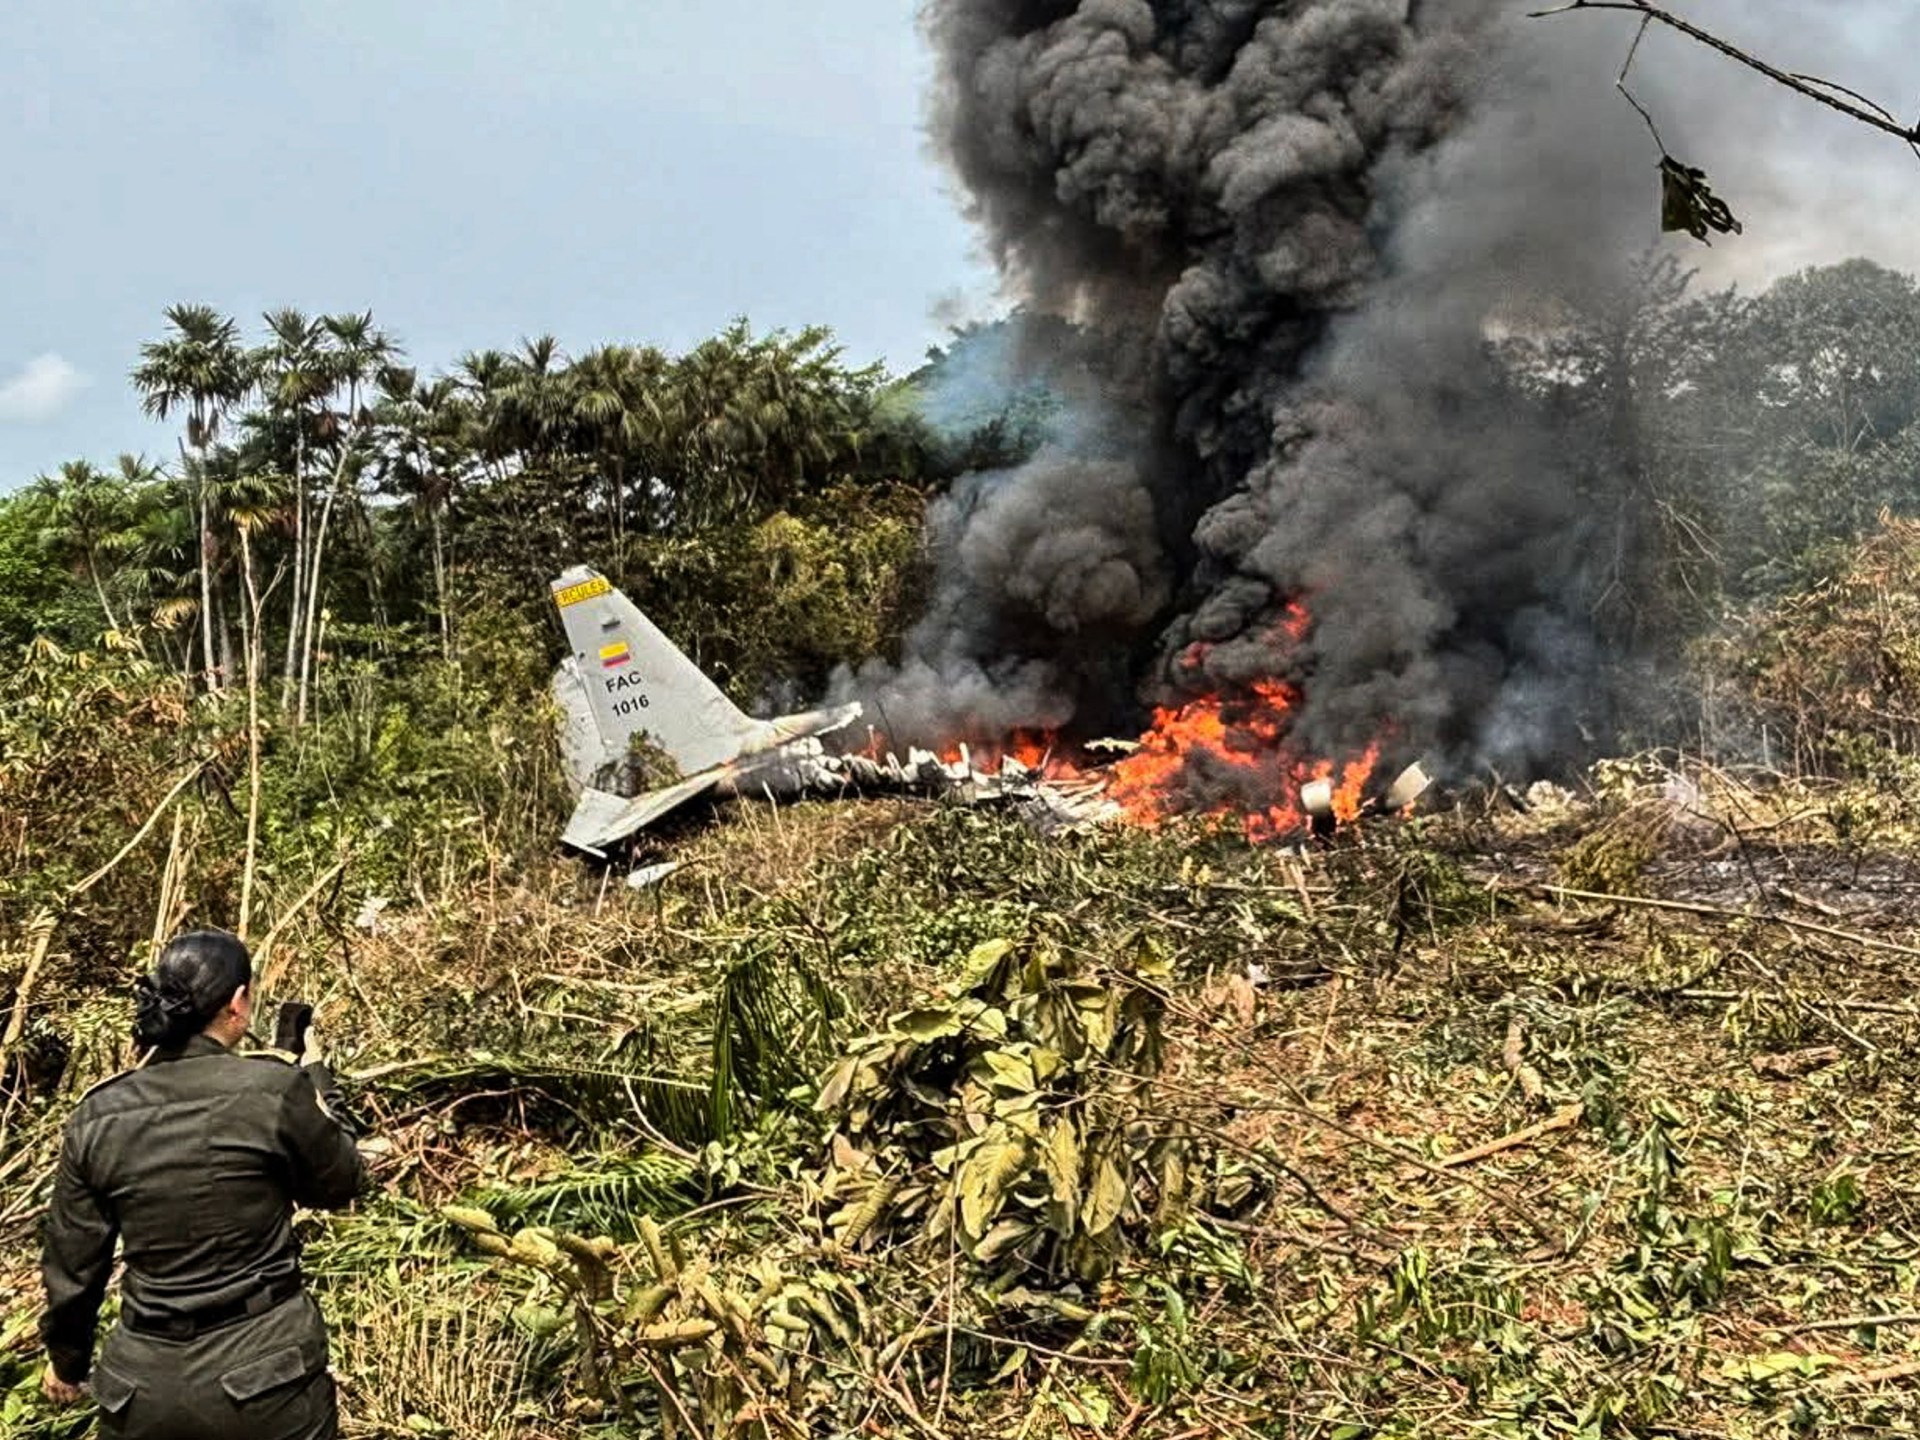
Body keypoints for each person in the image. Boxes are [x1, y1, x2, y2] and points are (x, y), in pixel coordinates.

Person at [38, 929, 365, 1439]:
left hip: (140, 1389)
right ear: (237, 1003)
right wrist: (317, 1083)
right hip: (266, 1375)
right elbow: (341, 1183)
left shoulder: (96, 1114)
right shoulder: (272, 1090)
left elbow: (73, 1264)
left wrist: (66, 1362)